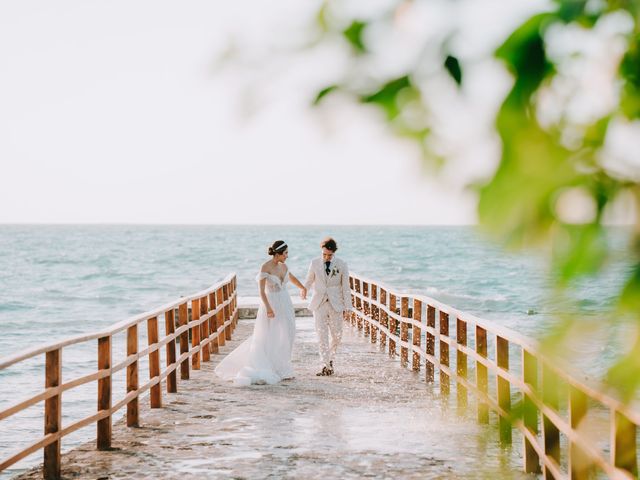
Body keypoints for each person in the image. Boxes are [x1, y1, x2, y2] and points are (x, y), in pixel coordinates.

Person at [215, 240, 307, 386]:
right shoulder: (265, 267)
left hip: (285, 302)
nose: (287, 256)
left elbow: (291, 277)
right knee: (271, 334)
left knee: (289, 332)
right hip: (271, 303)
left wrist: (303, 287)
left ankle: (283, 367)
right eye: (285, 253)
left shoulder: (284, 266)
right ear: (278, 253)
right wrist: (269, 308)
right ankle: (272, 366)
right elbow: (261, 292)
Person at [304, 237, 352, 376]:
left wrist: (348, 307)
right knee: (321, 335)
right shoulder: (314, 263)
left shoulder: (342, 264)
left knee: (337, 336)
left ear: (334, 253)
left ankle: (330, 359)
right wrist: (304, 289)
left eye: (329, 255)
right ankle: (325, 365)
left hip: (336, 304)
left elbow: (346, 287)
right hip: (319, 303)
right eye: (324, 254)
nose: (326, 257)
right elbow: (309, 280)